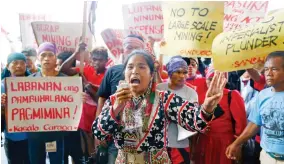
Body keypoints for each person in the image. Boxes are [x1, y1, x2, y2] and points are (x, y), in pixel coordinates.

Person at [92, 50, 227, 163]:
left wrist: (207, 107)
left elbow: (195, 121)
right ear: (125, 73)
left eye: (141, 67)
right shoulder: (115, 99)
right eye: (130, 67)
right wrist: (116, 109)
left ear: (151, 75)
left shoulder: (164, 98)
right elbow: (98, 132)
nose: (135, 71)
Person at [96, 34, 146, 164]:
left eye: (137, 48)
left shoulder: (149, 73)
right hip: (116, 136)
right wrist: (99, 130)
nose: (133, 51)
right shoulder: (113, 71)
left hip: (143, 136)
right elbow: (102, 99)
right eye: (129, 47)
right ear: (123, 49)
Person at [226, 51, 284, 164]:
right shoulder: (263, 95)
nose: (269, 73)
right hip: (267, 157)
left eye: (274, 69)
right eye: (266, 69)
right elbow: (254, 124)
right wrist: (237, 143)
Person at [192, 66, 247, 164]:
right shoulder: (200, 96)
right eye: (210, 79)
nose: (214, 83)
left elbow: (241, 123)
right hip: (204, 142)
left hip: (225, 143)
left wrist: (237, 144)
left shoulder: (233, 95)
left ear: (224, 81)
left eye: (217, 79)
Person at [27, 42, 70, 164]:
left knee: (57, 161)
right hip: (35, 134)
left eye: (50, 55)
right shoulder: (29, 81)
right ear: (38, 58)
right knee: (36, 161)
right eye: (43, 55)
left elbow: (71, 106)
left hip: (56, 134)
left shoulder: (66, 80)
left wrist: (78, 100)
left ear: (55, 58)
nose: (46, 58)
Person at [157, 56, 198, 164]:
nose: (182, 76)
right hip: (159, 145)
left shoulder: (191, 93)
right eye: (178, 72)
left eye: (184, 72)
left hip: (181, 146)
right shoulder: (159, 88)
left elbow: (192, 120)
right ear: (170, 73)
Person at [1, 52, 31, 164]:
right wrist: (1, 105)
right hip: (11, 138)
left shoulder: (35, 84)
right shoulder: (2, 86)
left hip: (32, 137)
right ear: (8, 66)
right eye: (15, 63)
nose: (19, 66)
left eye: (22, 63)